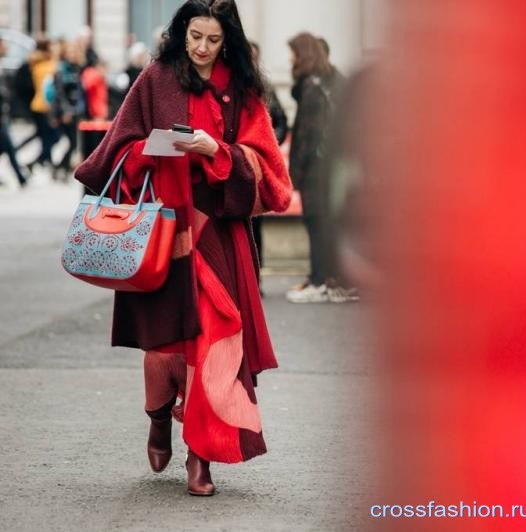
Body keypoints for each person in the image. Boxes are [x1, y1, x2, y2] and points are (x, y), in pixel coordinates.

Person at [74, 0, 292, 496]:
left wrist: (219, 152)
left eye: (213, 40)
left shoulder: (243, 89)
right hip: (163, 232)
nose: (201, 47)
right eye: (195, 35)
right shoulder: (154, 78)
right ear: (181, 32)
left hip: (218, 233)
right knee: (163, 349)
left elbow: (270, 171)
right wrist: (150, 151)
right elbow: (116, 147)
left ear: (228, 41)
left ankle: (201, 453)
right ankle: (157, 416)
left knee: (215, 344)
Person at [285, 33, 357, 303]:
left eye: (293, 53)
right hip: (332, 167)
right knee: (327, 224)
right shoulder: (332, 81)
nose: (290, 58)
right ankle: (332, 279)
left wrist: (296, 172)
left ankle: (321, 280)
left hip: (316, 170)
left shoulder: (311, 86)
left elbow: (306, 135)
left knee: (316, 223)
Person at [249, 40, 288, 279]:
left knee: (256, 224)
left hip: (258, 166)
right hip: (238, 162)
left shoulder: (265, 86)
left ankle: (257, 274)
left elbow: (281, 120)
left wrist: (271, 144)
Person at [50, 40, 85, 181]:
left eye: (74, 52)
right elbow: (60, 93)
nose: (72, 54)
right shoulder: (61, 69)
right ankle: (60, 168)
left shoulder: (77, 68)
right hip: (65, 112)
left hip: (76, 110)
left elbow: (80, 92)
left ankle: (60, 168)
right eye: (69, 52)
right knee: (70, 142)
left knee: (74, 143)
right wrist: (66, 111)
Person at [26, 38, 60, 177]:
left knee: (45, 137)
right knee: (53, 137)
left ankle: (46, 163)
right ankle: (36, 161)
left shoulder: (37, 65)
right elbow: (49, 88)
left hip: (37, 105)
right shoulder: (47, 66)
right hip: (45, 106)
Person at [0, 38, 30, 187]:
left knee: (7, 147)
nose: (6, 48)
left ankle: (21, 178)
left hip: (3, 114)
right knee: (9, 147)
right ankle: (21, 178)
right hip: (1, 116)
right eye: (3, 46)